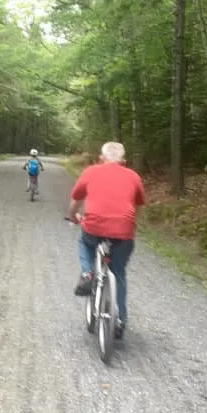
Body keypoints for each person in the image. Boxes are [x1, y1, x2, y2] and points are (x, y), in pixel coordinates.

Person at [67, 141, 146, 339]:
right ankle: (120, 321)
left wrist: (73, 216)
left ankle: (87, 274)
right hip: (123, 232)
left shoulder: (91, 172)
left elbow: (75, 201)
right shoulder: (134, 176)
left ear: (101, 159)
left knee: (84, 243)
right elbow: (138, 206)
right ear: (124, 161)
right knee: (118, 273)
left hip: (93, 227)